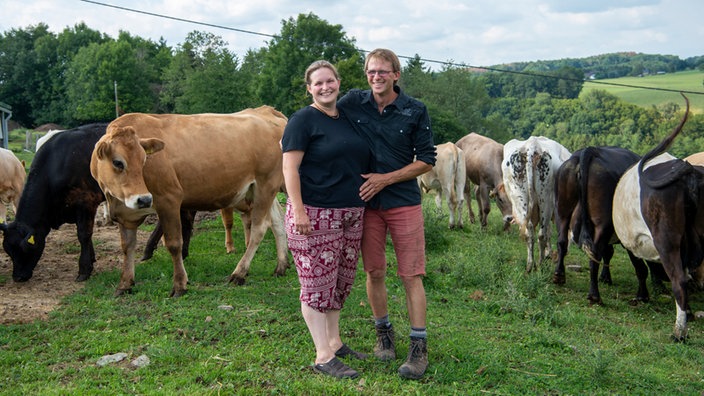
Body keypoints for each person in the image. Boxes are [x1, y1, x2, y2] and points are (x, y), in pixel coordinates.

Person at [338, 48, 436, 380]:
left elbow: (426, 160)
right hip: (366, 205)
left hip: (403, 202)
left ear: (396, 74)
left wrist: (385, 179)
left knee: (410, 275)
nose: (376, 77)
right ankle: (384, 336)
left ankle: (418, 348)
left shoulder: (414, 110)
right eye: (370, 72)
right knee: (374, 271)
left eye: (382, 72)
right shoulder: (353, 103)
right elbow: (320, 110)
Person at [281, 60, 372, 379]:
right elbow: (289, 168)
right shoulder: (303, 120)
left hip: (351, 211)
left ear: (338, 82)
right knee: (316, 285)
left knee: (340, 282)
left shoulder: (347, 118)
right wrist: (299, 209)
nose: (325, 87)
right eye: (317, 83)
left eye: (329, 81)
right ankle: (322, 355)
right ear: (309, 88)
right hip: (315, 214)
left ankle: (334, 341)